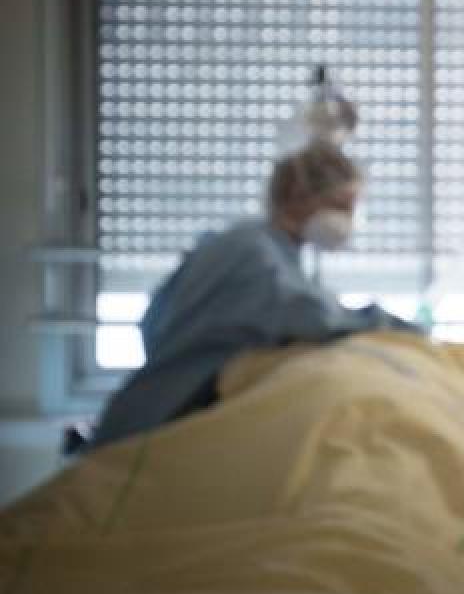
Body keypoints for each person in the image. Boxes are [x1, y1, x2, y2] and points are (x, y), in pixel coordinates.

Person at [92, 140, 413, 448]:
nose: (348, 220)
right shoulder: (253, 254)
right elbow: (310, 316)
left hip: (160, 407)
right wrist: (392, 326)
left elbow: (152, 321)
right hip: (157, 419)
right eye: (342, 206)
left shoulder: (257, 245)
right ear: (300, 195)